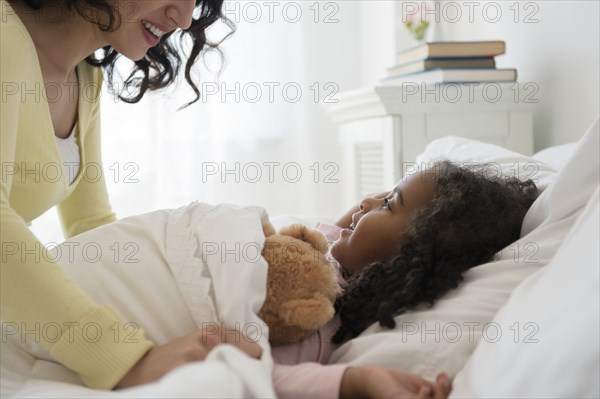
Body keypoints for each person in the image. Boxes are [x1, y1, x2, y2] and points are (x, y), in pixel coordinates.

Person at [0, 0, 233, 390]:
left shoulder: (85, 78)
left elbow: (93, 228)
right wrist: (122, 358)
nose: (184, 17)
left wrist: (183, 324)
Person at [264, 160, 538, 398]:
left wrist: (361, 381)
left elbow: (253, 376)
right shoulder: (336, 255)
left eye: (388, 205)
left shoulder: (320, 320)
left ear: (411, 252)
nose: (365, 202)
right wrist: (387, 202)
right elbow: (335, 231)